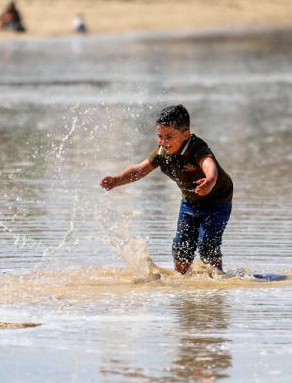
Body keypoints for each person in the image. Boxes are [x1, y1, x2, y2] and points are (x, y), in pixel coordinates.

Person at [99, 105, 234, 276]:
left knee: (207, 245)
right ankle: (182, 281)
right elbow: (139, 170)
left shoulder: (196, 148)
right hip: (190, 201)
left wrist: (210, 180)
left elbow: (209, 164)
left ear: (186, 134)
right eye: (160, 136)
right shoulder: (163, 152)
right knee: (181, 247)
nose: (163, 142)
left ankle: (218, 280)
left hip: (217, 201)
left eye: (169, 137)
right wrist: (117, 180)